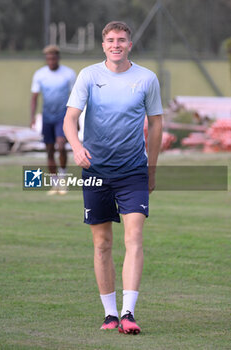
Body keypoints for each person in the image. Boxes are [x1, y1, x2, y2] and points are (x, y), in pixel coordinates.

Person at [63, 21, 163, 334]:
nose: (116, 45)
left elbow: (156, 124)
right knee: (102, 243)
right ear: (103, 45)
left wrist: (152, 167)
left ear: (129, 44)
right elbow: (70, 119)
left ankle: (128, 312)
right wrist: (77, 147)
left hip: (133, 170)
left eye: (121, 40)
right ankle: (110, 315)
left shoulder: (147, 79)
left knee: (134, 237)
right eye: (110, 40)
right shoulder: (89, 76)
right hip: (96, 170)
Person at [30, 45, 76, 194]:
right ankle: (54, 183)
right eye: (48, 58)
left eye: (53, 58)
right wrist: (32, 117)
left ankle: (63, 180)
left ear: (58, 58)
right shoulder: (40, 75)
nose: (51, 61)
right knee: (49, 150)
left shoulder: (68, 74)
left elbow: (76, 98)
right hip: (47, 117)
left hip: (62, 117)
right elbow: (34, 97)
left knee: (61, 146)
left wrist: (76, 119)